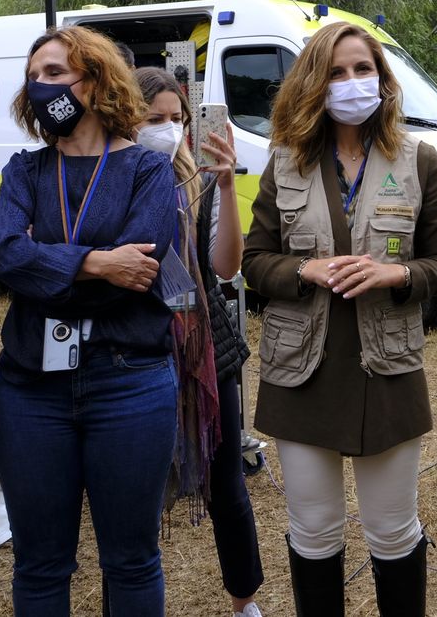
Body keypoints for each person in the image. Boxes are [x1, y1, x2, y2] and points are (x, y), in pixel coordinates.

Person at [241, 21, 437, 617]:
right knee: (314, 532)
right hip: (300, 372)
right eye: (337, 72)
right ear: (314, 83)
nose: (352, 83)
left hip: (386, 369)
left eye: (364, 70)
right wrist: (305, 270)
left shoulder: (420, 159)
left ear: (383, 81)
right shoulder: (284, 163)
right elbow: (255, 262)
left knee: (392, 532)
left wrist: (399, 275)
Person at [0, 26, 190, 615]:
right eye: (35, 76)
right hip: (30, 389)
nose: (40, 84)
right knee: (40, 564)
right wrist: (99, 263)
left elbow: (145, 267)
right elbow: (5, 256)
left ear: (95, 80)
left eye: (55, 72)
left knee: (130, 560)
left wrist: (46, 267)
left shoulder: (149, 172)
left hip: (128, 382)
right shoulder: (24, 171)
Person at [135, 66, 264, 617]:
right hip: (139, 349)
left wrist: (229, 185)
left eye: (176, 119)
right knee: (137, 494)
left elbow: (226, 266)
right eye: (153, 119)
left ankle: (246, 602)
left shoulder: (200, 181)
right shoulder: (114, 178)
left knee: (228, 486)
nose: (168, 129)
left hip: (209, 348)